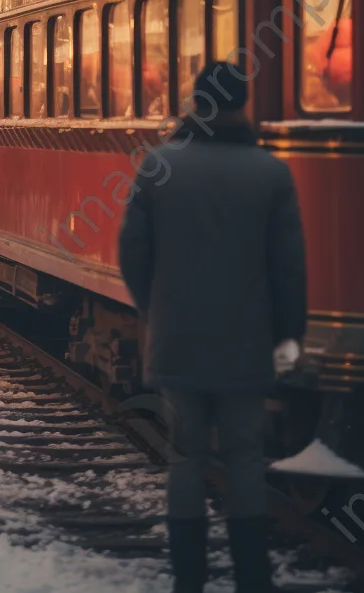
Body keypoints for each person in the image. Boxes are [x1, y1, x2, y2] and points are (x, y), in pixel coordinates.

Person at [118, 62, 307, 593]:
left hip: (179, 339)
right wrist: (288, 334)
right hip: (248, 344)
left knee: (185, 455)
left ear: (196, 104)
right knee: (246, 456)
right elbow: (288, 266)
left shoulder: (158, 167)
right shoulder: (271, 172)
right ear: (242, 105)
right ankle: (252, 577)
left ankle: (189, 578)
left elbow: (133, 252)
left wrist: (152, 308)